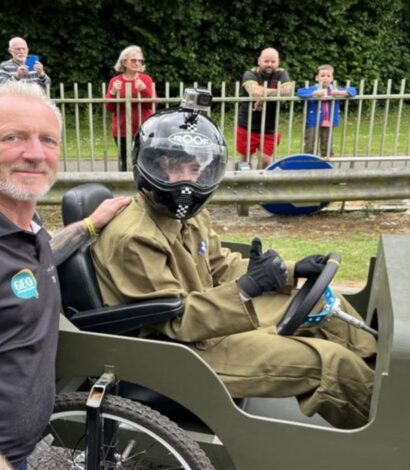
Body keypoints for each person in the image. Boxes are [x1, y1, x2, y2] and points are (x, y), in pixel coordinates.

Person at [92, 93, 377, 430]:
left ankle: (391, 385)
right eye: (173, 167)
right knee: (331, 364)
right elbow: (175, 323)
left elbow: (221, 266)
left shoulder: (188, 217)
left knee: (328, 306)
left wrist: (290, 270)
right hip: (180, 353)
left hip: (212, 321)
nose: (187, 181)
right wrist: (247, 288)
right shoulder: (135, 237)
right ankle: (387, 439)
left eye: (195, 168)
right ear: (151, 165)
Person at [0, 81, 131, 469]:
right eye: (13, 137)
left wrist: (90, 224)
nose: (35, 154)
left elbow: (41, 260)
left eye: (48, 140)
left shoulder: (26, 222)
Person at [236, 47, 292, 168]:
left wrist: (263, 95)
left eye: (273, 61)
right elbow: (254, 91)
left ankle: (259, 180)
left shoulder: (282, 73)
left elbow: (287, 91)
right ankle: (243, 181)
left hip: (269, 127)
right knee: (245, 158)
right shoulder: (250, 73)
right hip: (247, 124)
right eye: (266, 61)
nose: (269, 64)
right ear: (259, 61)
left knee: (266, 160)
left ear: (278, 62)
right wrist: (277, 91)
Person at [106, 45, 156, 172]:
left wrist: (144, 90)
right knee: (125, 161)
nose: (137, 63)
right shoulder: (115, 81)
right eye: (133, 60)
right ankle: (126, 187)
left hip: (144, 128)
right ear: (124, 62)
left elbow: (153, 104)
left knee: (145, 160)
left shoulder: (146, 79)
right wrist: (112, 92)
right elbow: (109, 108)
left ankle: (145, 189)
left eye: (140, 61)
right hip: (121, 129)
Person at [297, 64, 357, 159]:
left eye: (328, 76)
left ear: (332, 78)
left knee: (327, 143)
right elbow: (300, 92)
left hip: (329, 121)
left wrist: (340, 93)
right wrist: (313, 93)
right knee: (310, 144)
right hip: (313, 121)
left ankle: (327, 163)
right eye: (322, 76)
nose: (325, 78)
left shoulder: (335, 89)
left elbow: (353, 91)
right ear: (317, 78)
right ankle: (308, 162)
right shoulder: (314, 88)